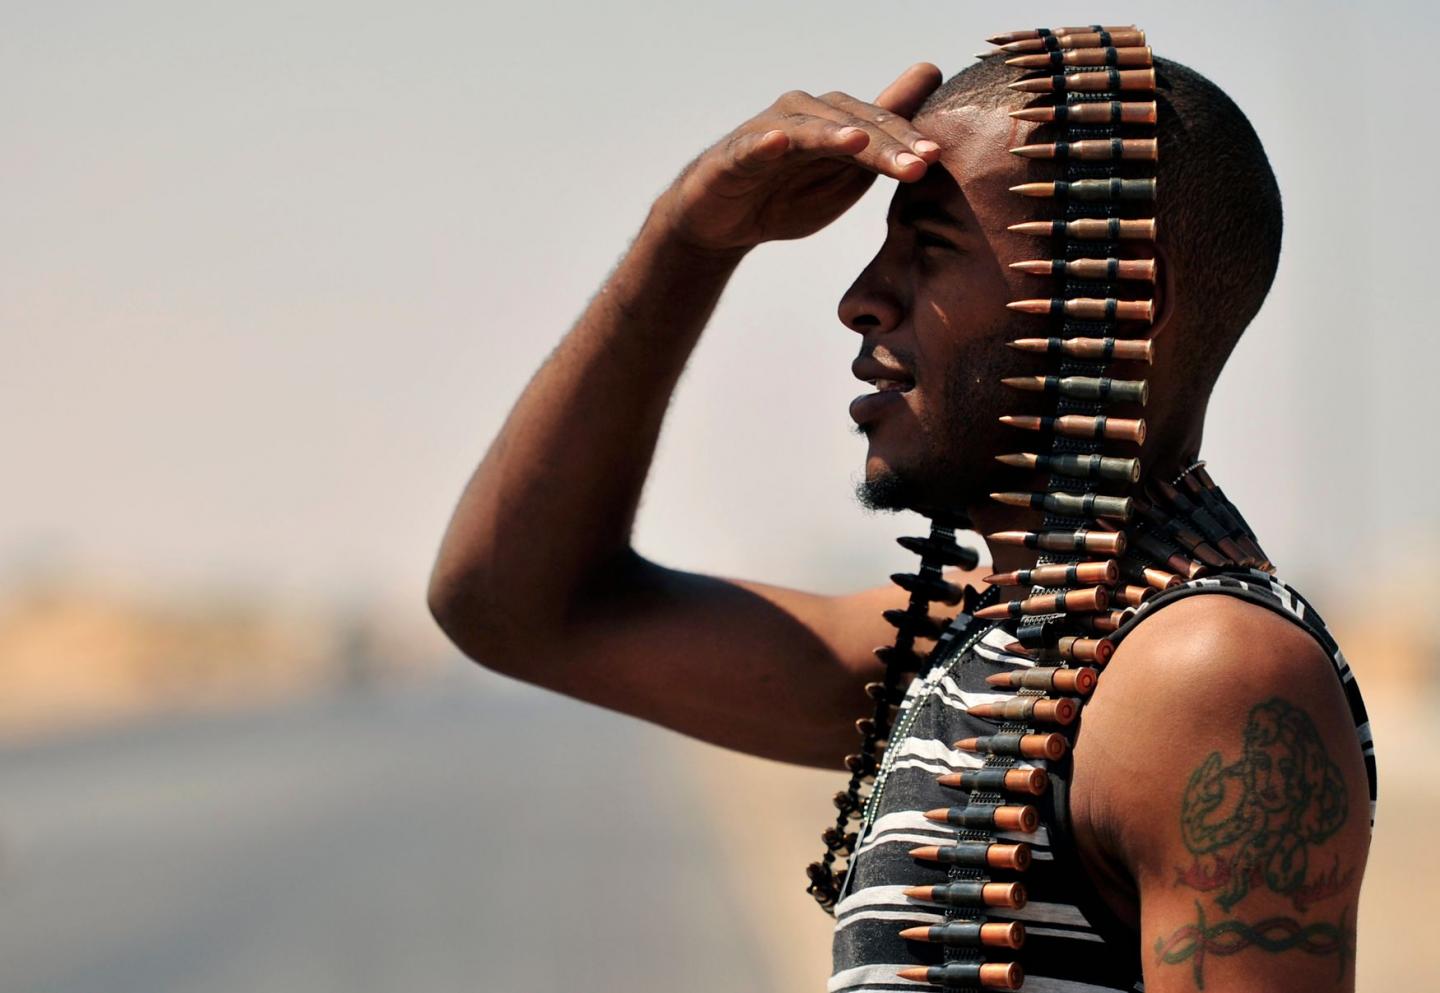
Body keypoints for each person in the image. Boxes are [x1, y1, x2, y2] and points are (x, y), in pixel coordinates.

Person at [428, 44, 1374, 993]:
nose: (860, 300)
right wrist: (692, 235)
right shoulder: (990, 645)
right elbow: (511, 603)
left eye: (932, 250)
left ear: (1127, 300)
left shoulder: (1204, 674)